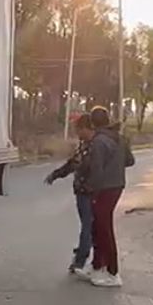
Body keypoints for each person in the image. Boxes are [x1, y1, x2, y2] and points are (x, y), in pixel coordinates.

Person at [84, 106, 134, 287]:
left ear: (92, 122)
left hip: (103, 188)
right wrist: (115, 165)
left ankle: (113, 272)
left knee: (103, 229)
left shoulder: (99, 141)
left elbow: (96, 170)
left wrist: (92, 189)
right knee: (100, 226)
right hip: (117, 185)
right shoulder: (119, 138)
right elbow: (130, 161)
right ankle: (97, 266)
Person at [44, 114, 97, 274]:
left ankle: (81, 259)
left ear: (86, 128)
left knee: (87, 226)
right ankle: (86, 254)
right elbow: (72, 164)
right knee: (88, 225)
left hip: (88, 191)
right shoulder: (85, 145)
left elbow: (78, 164)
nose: (77, 134)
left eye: (78, 130)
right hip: (83, 190)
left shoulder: (94, 146)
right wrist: (56, 175)